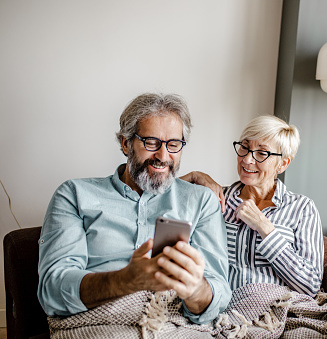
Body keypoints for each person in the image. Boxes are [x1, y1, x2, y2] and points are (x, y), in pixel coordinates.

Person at [37, 93, 231, 325]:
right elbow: (52, 291)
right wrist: (125, 280)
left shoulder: (200, 201)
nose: (163, 156)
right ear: (125, 142)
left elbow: (219, 294)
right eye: (151, 142)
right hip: (98, 323)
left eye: (174, 144)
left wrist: (195, 289)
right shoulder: (74, 195)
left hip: (171, 323)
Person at [184, 115, 324, 297]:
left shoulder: (302, 209)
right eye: (245, 147)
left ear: (282, 164)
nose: (247, 160)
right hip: (222, 306)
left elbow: (311, 285)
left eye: (261, 153)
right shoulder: (217, 198)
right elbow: (155, 204)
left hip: (274, 309)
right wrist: (193, 177)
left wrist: (265, 228)